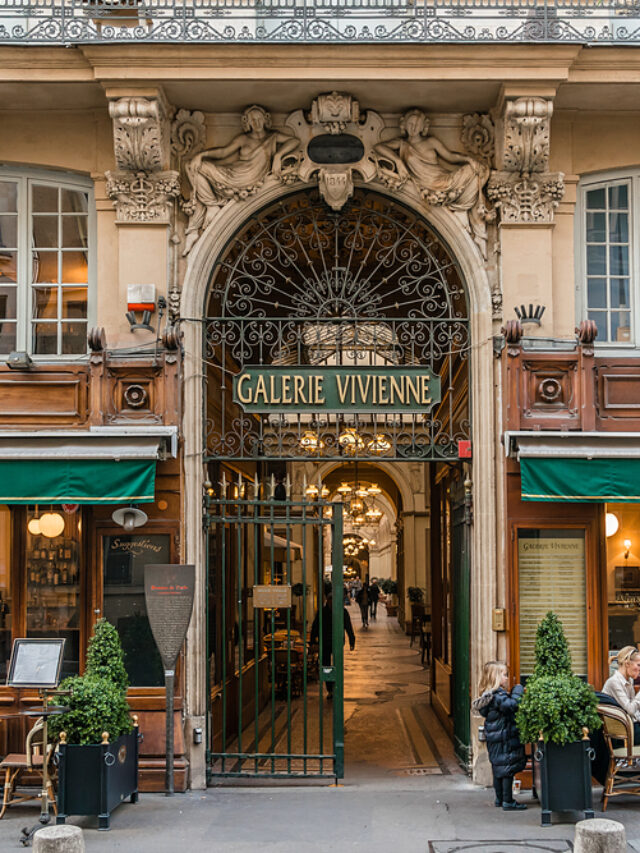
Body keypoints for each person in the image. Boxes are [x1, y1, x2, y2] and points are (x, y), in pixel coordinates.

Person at [472, 660, 527, 811]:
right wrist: (517, 691)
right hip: (504, 738)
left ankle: (500, 798)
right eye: (505, 675)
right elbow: (512, 706)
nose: (507, 678)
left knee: (498, 769)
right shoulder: (498, 696)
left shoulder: (489, 696)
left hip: (496, 739)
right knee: (507, 769)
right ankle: (508, 801)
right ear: (495, 677)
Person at [309, 591, 355, 698]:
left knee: (337, 665)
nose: (332, 602)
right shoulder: (322, 612)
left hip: (338, 642)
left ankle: (337, 686)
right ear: (328, 601)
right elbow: (315, 627)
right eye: (330, 600)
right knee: (326, 665)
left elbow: (348, 626)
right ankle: (330, 688)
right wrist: (312, 641)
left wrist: (352, 640)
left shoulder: (342, 612)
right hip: (325, 642)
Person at [602, 645, 640, 743]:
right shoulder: (614, 682)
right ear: (627, 663)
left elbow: (634, 710)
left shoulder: (629, 681)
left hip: (630, 728)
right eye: (638, 665)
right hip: (620, 736)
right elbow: (630, 710)